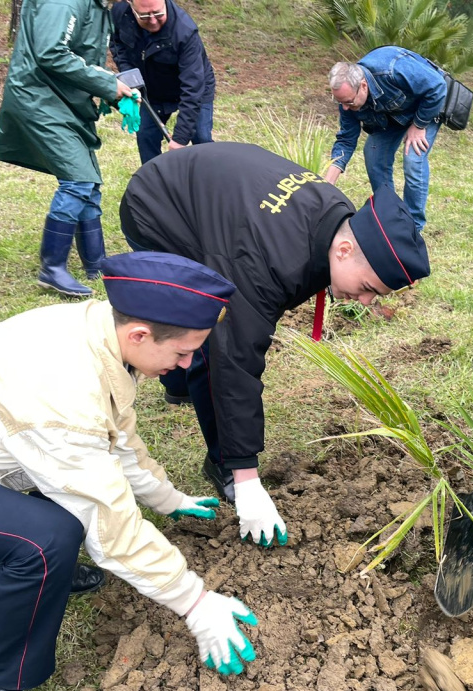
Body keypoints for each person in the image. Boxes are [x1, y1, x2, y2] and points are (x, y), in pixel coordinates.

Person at [0, 251, 261, 691]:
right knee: (47, 540)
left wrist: (168, 498)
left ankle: (3, 563)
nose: (186, 365)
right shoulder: (60, 391)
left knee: (65, 504)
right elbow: (108, 521)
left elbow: (116, 435)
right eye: (183, 353)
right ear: (140, 334)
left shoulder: (100, 332)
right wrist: (195, 602)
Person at [119, 141, 431, 546]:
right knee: (205, 329)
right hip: (160, 203)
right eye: (369, 287)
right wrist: (247, 476)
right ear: (344, 249)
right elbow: (236, 358)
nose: (368, 301)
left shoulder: (338, 217)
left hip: (218, 199)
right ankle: (222, 461)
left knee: (216, 330)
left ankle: (180, 382)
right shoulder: (265, 261)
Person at [0, 0, 134, 298]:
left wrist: (113, 89)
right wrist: (106, 84)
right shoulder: (64, 2)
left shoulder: (98, 8)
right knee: (77, 181)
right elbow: (51, 52)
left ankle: (96, 264)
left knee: (89, 183)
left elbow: (82, 58)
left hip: (67, 102)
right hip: (40, 100)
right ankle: (52, 268)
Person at [324, 46, 447, 232]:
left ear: (363, 86)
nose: (345, 108)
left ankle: (413, 229)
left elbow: (437, 86)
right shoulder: (347, 102)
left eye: (348, 102)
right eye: (340, 102)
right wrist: (328, 183)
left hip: (424, 108)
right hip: (391, 117)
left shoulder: (392, 69)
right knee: (374, 155)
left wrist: (419, 125)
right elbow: (346, 140)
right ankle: (390, 217)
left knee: (413, 158)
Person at [110, 0, 216, 164]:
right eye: (145, 16)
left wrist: (180, 138)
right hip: (152, 89)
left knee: (201, 138)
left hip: (194, 87)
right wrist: (130, 77)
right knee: (146, 137)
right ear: (131, 6)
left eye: (158, 13)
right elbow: (117, 44)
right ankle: (153, 178)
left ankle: (209, 176)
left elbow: (193, 88)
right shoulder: (120, 13)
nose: (153, 20)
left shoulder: (184, 31)